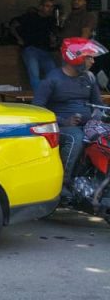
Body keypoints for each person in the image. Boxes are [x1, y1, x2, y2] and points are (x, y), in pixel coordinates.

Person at [35, 38, 106, 188]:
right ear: (76, 57)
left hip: (88, 125)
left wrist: (100, 117)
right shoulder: (52, 79)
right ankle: (63, 183)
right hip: (60, 127)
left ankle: (100, 182)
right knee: (76, 137)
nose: (93, 61)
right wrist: (63, 121)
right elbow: (37, 109)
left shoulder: (90, 78)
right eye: (89, 57)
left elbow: (98, 105)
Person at [9, 0, 58, 91]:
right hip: (31, 49)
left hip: (45, 51)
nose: (50, 9)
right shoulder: (30, 16)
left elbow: (51, 35)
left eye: (52, 6)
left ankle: (50, 99)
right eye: (47, 6)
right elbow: (13, 26)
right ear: (40, 7)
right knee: (34, 75)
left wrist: (53, 41)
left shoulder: (51, 20)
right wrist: (19, 39)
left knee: (53, 73)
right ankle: (39, 100)